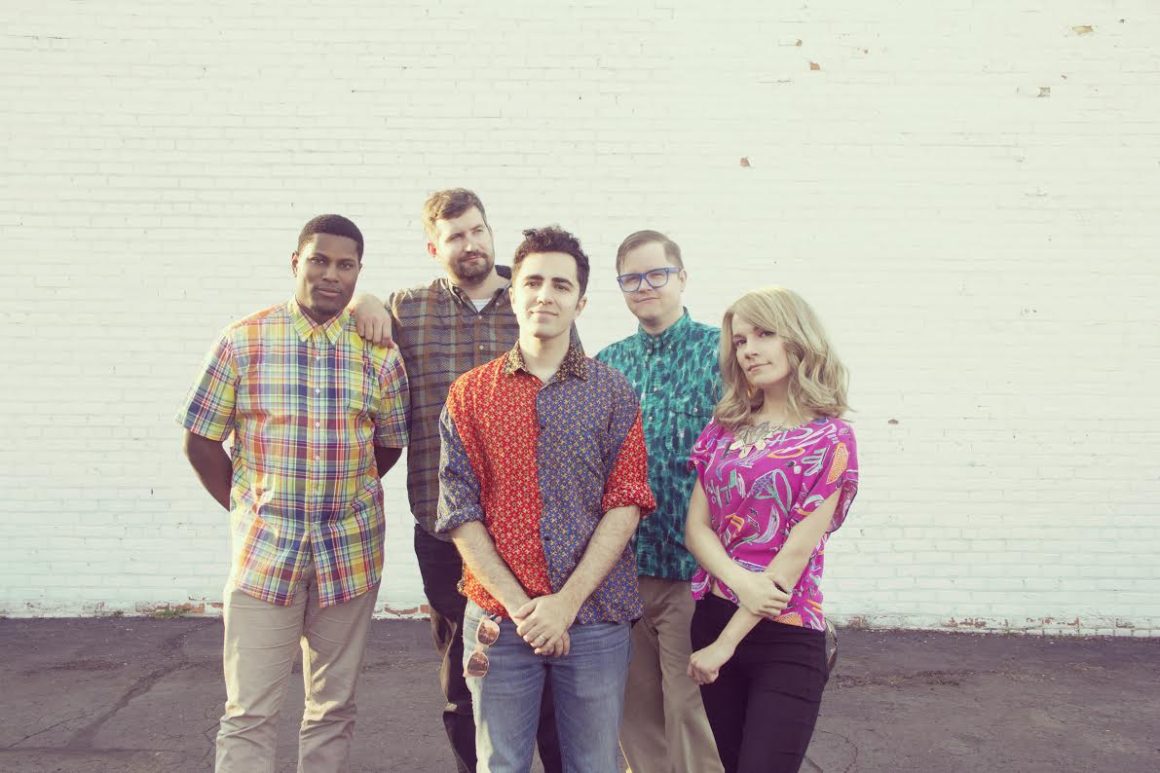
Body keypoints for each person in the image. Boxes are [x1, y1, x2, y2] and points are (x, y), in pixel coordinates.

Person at [178, 214, 409, 773]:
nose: (331, 274)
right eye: (319, 260)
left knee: (332, 708)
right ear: (295, 262)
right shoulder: (243, 340)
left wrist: (343, 496)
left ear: (358, 272)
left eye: (345, 265)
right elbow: (201, 441)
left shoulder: (380, 355)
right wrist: (249, 506)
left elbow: (389, 445)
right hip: (264, 556)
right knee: (249, 711)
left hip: (350, 556)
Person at [350, 189, 562, 772]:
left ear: (490, 232)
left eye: (476, 230)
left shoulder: (531, 300)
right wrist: (364, 298)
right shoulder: (408, 310)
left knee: (545, 661)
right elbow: (357, 318)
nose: (469, 244)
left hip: (531, 527)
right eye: (454, 237)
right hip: (443, 526)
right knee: (465, 667)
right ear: (433, 248)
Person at [436, 225, 656, 772]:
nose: (545, 295)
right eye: (533, 282)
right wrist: (522, 608)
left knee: (593, 765)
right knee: (501, 764)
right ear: (512, 293)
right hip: (499, 617)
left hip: (596, 616)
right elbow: (459, 511)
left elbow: (626, 502)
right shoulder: (470, 394)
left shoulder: (613, 391)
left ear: (580, 302)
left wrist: (565, 604)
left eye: (561, 285)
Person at [684, 286, 859, 773]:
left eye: (764, 334)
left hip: (785, 634)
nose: (749, 350)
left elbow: (794, 556)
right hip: (713, 614)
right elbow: (696, 528)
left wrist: (725, 645)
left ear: (797, 339)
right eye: (740, 341)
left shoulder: (831, 438)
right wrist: (740, 583)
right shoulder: (724, 428)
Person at [594, 230, 724, 773]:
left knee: (690, 709)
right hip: (622, 570)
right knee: (633, 710)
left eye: (656, 274)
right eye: (631, 278)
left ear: (681, 277)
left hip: (693, 570)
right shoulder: (607, 365)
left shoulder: (720, 353)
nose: (644, 286)